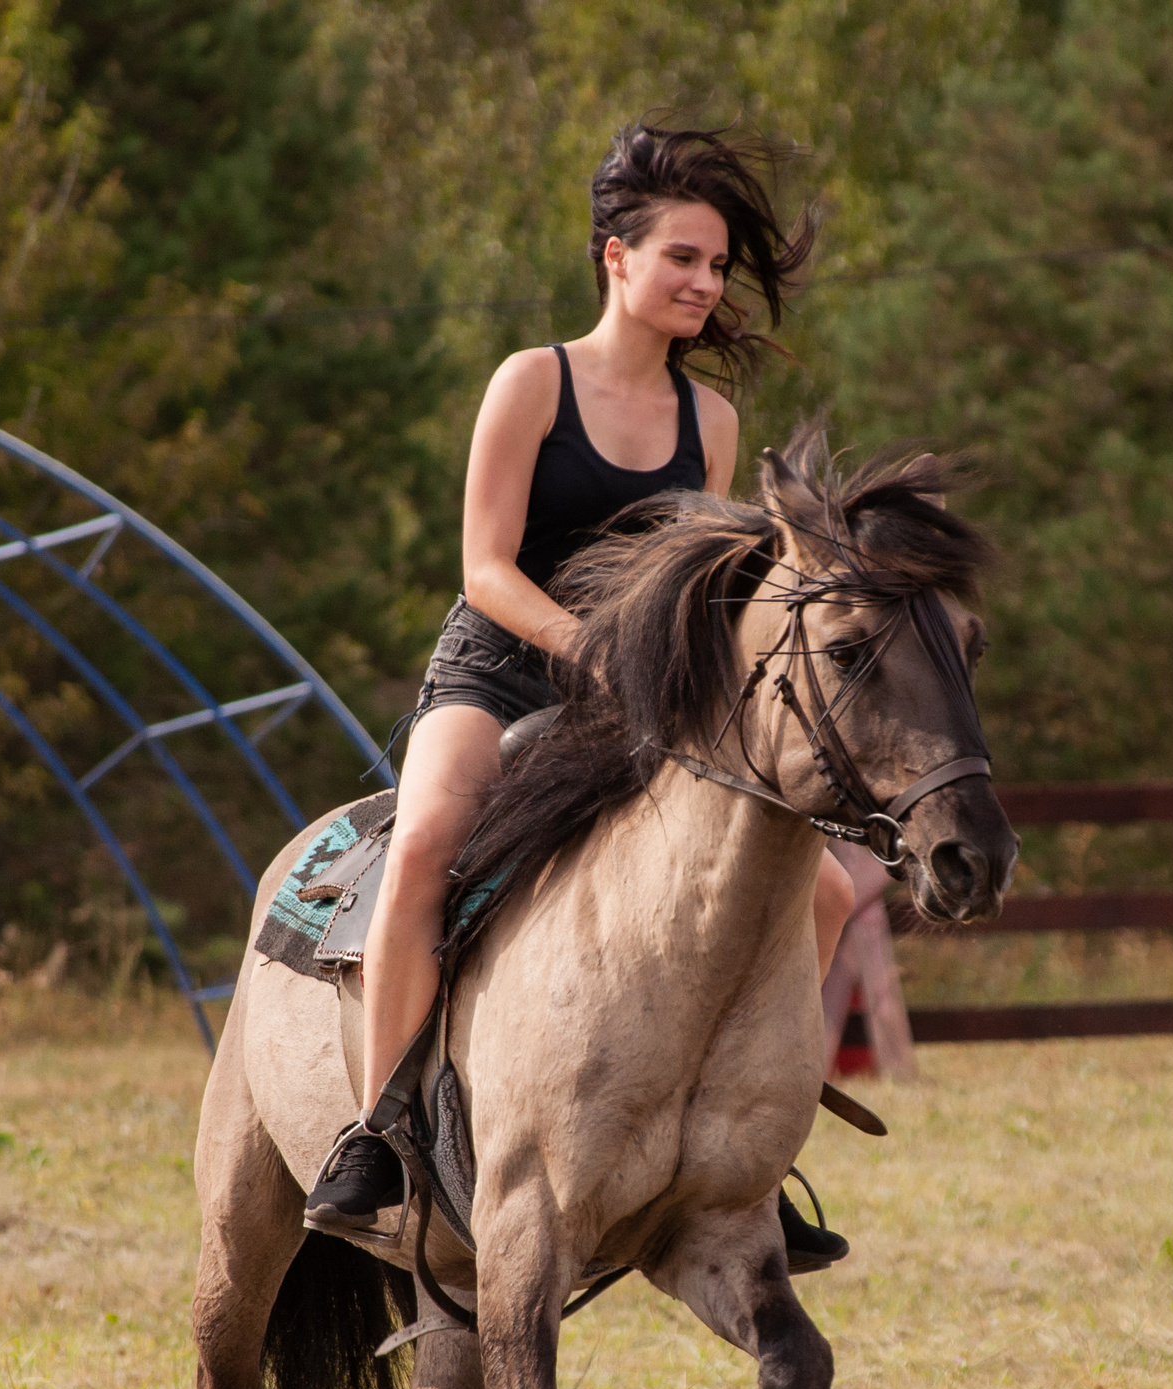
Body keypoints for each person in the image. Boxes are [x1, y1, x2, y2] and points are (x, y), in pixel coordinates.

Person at [305, 123, 856, 1267]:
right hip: (497, 666)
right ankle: (378, 1134)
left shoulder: (711, 422)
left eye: (716, 267)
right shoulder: (531, 382)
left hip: (639, 693)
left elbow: (701, 585)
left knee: (832, 896)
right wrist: (588, 645)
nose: (705, 284)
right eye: (683, 260)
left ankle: (750, 1139)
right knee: (423, 851)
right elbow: (484, 566)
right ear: (616, 257)